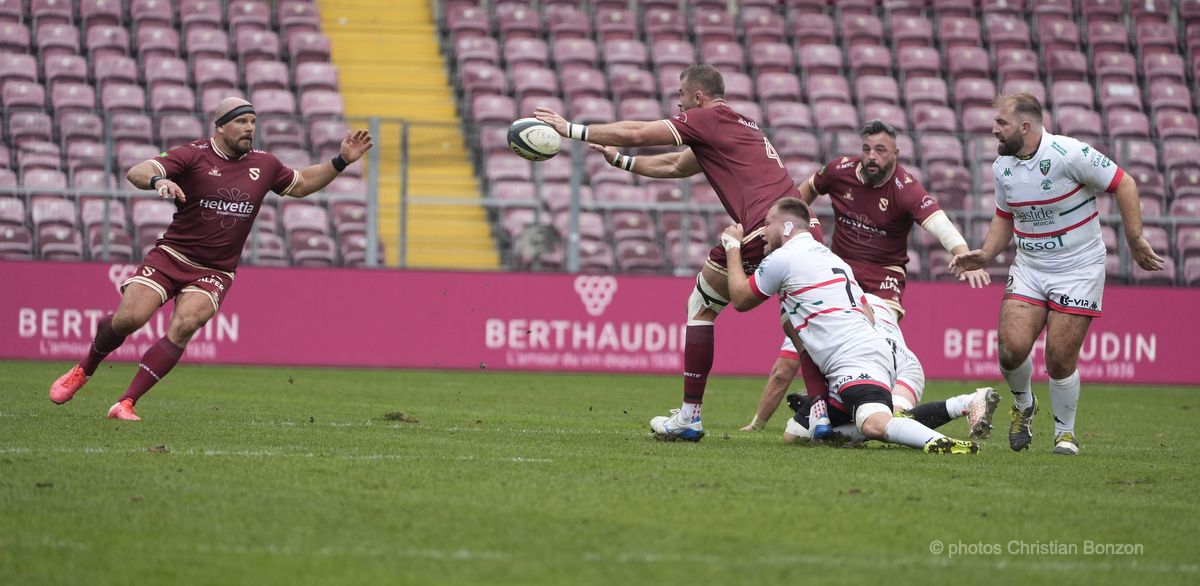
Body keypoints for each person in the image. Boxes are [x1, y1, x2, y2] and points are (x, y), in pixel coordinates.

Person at [535, 64, 821, 441]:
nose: (678, 102)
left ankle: (689, 417)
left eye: (681, 95)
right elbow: (674, 164)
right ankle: (825, 412)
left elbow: (639, 132)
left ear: (697, 98)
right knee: (801, 323)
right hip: (803, 228)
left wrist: (570, 129)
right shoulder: (738, 124)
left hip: (762, 229)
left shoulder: (705, 119)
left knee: (701, 307)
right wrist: (621, 161)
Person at [47, 97, 374, 420]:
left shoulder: (266, 164)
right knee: (129, 320)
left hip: (215, 270)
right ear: (220, 127)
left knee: (186, 324)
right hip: (171, 256)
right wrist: (159, 180)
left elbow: (301, 184)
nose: (250, 128)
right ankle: (84, 369)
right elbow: (138, 171)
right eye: (241, 122)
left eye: (253, 122)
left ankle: (126, 402)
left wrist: (340, 161)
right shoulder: (194, 154)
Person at [949, 92, 1163, 455]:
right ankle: (1024, 405)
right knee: (1009, 350)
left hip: (1079, 267)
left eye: (1001, 123)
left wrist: (1135, 238)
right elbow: (1005, 217)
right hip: (1030, 266)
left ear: (1025, 126)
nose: (994, 130)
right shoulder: (1002, 168)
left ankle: (1065, 433)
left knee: (1059, 358)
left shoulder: (1070, 154)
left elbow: (1123, 183)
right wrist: (985, 253)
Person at [741, 119, 988, 433]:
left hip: (880, 291)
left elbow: (937, 222)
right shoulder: (839, 171)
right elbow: (799, 201)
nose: (872, 156)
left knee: (875, 364)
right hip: (835, 285)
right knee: (792, 354)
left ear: (896, 153)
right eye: (867, 149)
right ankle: (760, 424)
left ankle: (864, 411)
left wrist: (963, 252)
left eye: (880, 150)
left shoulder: (905, 187)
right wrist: (801, 239)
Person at [723, 196, 979, 454]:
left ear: (787, 228)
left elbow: (740, 299)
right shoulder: (833, 259)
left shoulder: (784, 258)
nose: (762, 232)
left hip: (854, 358)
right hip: (854, 356)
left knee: (874, 424)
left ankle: (938, 437)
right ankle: (864, 422)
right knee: (794, 435)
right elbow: (867, 314)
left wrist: (732, 246)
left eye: (767, 223)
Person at [778, 293, 1003, 443]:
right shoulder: (867, 297)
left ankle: (963, 403)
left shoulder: (826, 303)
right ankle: (965, 402)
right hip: (904, 361)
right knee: (892, 418)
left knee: (886, 422)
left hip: (870, 361)